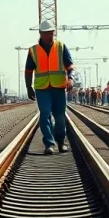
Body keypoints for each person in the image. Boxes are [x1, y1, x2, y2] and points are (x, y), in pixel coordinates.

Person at [25, 20, 75, 155]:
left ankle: (61, 142)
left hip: (58, 87)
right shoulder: (33, 50)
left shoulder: (61, 47)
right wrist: (29, 87)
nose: (49, 36)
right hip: (42, 89)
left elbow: (70, 66)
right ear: (40, 33)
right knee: (45, 114)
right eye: (46, 33)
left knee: (59, 117)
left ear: (54, 32)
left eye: (51, 33)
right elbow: (28, 71)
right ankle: (49, 143)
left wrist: (70, 79)